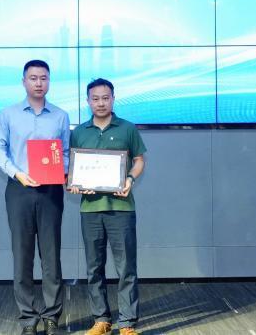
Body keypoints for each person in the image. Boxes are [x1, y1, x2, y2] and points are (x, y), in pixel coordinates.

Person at [0, 60, 70, 335]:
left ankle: (52, 317)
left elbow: (65, 153)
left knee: (51, 256)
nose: (38, 83)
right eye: (33, 78)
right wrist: (17, 173)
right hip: (19, 189)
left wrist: (63, 171)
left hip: (50, 191)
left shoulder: (60, 116)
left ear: (49, 81)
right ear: (23, 81)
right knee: (22, 255)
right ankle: (27, 319)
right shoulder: (8, 114)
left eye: (43, 78)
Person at [69, 78, 147, 335]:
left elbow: (139, 160)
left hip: (121, 208)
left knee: (126, 268)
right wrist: (76, 184)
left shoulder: (127, 128)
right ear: (88, 101)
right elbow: (74, 169)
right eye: (95, 99)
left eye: (105, 98)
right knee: (94, 267)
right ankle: (101, 320)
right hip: (90, 210)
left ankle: (127, 323)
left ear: (113, 99)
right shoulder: (79, 132)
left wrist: (130, 179)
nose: (100, 103)